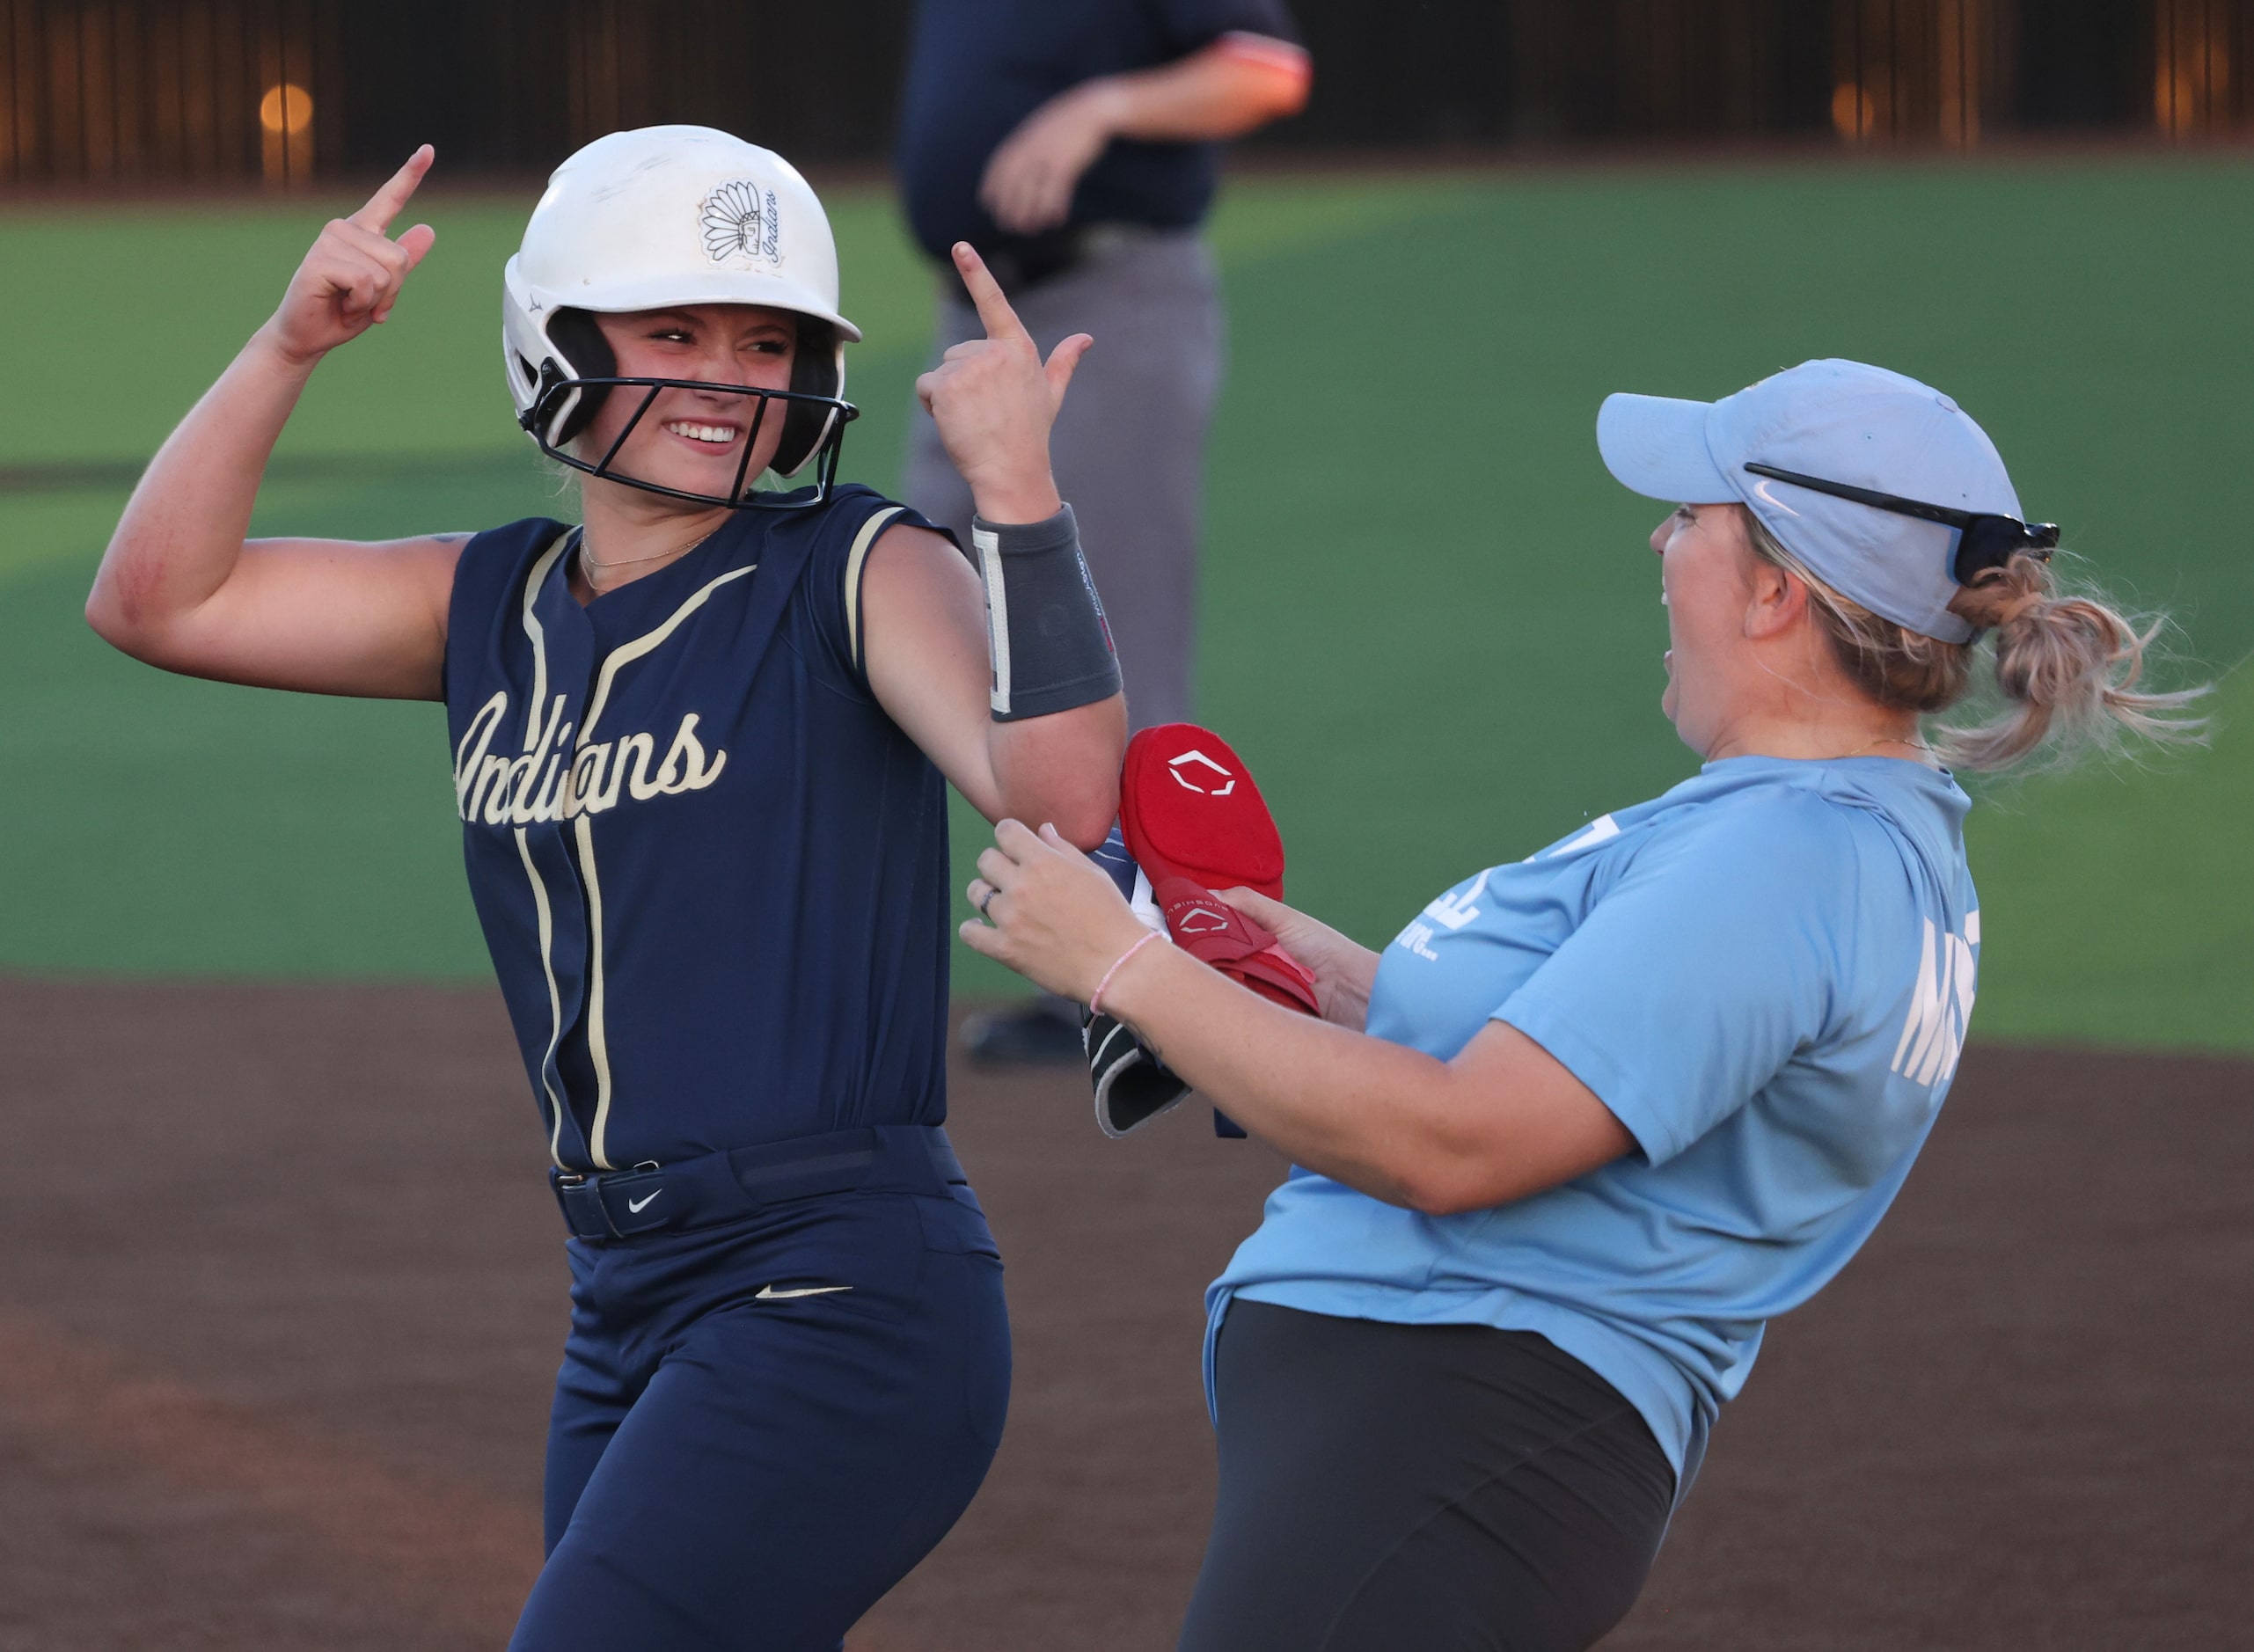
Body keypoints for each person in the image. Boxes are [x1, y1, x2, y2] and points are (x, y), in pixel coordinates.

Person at [956, 359, 2203, 1649]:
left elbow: (1461, 1141)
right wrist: (1314, 974)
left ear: (1777, 590)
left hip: (1449, 1432)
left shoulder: (1786, 859)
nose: (1658, 539)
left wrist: (1121, 965)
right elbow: (1584, 1067)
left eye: (1691, 519)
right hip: (1442, 1436)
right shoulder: (1812, 832)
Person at [85, 127, 1127, 1651]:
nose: (726, 374)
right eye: (674, 329)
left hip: (837, 1286)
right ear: (558, 341)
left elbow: (1060, 801)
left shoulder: (855, 562)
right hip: (624, 1302)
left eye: (768, 340)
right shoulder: (486, 597)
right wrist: (291, 340)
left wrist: (1020, 496)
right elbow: (159, 599)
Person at [896, 0, 1312, 1062]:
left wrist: (1104, 105)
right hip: (977, 321)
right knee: (908, 614)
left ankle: (1142, 991)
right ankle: (1040, 955)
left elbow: (1267, 68)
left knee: (1095, 643)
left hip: (1107, 305)